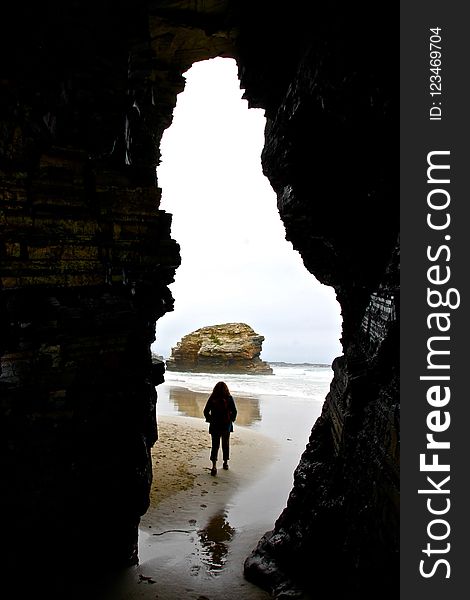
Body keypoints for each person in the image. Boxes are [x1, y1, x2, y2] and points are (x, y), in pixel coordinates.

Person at [203, 381, 237, 476]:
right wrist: (231, 420)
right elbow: (234, 411)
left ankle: (214, 466)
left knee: (215, 445)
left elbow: (205, 411)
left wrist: (210, 419)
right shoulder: (229, 398)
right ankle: (225, 463)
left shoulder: (213, 398)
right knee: (225, 444)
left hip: (215, 425)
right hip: (226, 425)